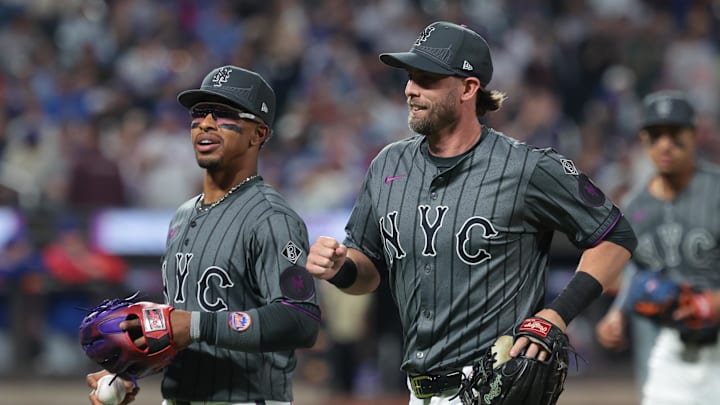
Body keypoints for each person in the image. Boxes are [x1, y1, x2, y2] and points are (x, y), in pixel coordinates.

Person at [305, 21, 637, 404]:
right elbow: (370, 271)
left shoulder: (524, 167)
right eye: (411, 77)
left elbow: (616, 234)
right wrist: (341, 268)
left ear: (468, 88)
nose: (411, 90)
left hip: (496, 387)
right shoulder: (386, 165)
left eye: (427, 79)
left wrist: (556, 314)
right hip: (420, 391)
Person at [85, 65, 321, 405]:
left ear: (258, 133)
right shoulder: (182, 216)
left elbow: (301, 319)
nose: (205, 123)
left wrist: (195, 326)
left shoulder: (273, 218)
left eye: (224, 114)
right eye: (199, 113)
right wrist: (132, 369)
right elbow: (180, 329)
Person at [595, 90, 720, 405]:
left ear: (693, 135)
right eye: (656, 135)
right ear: (644, 140)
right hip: (667, 346)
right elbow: (635, 269)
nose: (665, 144)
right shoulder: (635, 205)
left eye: (675, 134)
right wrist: (617, 314)